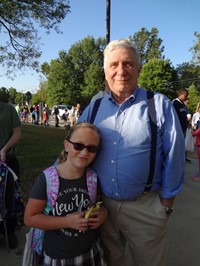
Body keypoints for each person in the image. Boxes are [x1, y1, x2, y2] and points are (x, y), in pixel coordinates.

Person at [78, 39, 185, 266]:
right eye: (114, 64)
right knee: (111, 261)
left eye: (128, 64)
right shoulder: (95, 106)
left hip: (145, 208)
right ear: (105, 71)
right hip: (101, 207)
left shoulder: (159, 104)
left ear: (138, 68)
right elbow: (74, 147)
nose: (121, 71)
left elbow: (174, 157)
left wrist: (165, 205)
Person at [24, 122, 108, 265]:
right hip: (57, 257)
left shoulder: (92, 178)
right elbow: (29, 218)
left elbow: (98, 205)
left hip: (89, 252)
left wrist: (103, 213)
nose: (84, 152)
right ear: (67, 145)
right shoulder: (47, 179)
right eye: (78, 146)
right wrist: (67, 222)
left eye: (92, 148)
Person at [0, 101, 21, 248]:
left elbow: (17, 133)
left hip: (7, 162)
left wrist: (4, 149)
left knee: (9, 200)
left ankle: (9, 231)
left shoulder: (8, 109)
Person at [172, 88, 190, 162]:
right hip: (177, 128)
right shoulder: (174, 103)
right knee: (176, 144)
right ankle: (175, 159)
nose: (186, 97)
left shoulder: (182, 103)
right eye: (185, 96)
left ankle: (181, 158)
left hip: (184, 127)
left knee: (182, 144)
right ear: (181, 94)